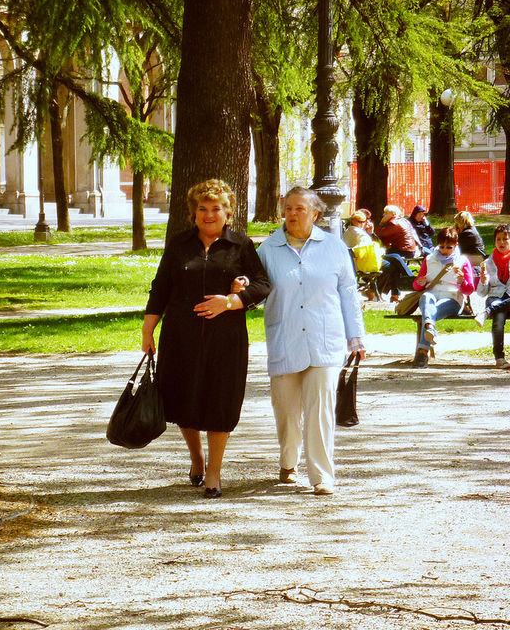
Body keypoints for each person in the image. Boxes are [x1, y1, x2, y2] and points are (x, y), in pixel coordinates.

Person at [141, 179, 271, 498]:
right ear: (193, 213)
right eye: (202, 209)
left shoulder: (241, 244)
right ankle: (196, 457)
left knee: (219, 400)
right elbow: (161, 287)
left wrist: (229, 300)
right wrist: (148, 330)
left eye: (216, 209)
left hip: (225, 338)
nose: (209, 214)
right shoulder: (179, 243)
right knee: (183, 397)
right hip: (180, 336)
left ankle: (214, 472)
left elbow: (262, 284)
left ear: (227, 213)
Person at [257, 186, 365, 495]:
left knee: (320, 410)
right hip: (285, 338)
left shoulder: (334, 247)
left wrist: (355, 338)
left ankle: (322, 476)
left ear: (315, 213)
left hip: (325, 340)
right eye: (288, 208)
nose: (292, 214)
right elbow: (254, 289)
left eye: (299, 209)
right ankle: (289, 462)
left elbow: (348, 292)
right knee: (287, 410)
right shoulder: (268, 250)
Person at [410, 227, 475, 368]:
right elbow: (416, 285)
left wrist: (461, 281)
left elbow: (469, 289)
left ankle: (423, 352)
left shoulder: (462, 261)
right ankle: (430, 327)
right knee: (426, 298)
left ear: (456, 245)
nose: (445, 250)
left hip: (452, 298)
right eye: (442, 247)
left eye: (449, 247)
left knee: (432, 310)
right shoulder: (429, 259)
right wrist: (420, 283)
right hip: (433, 294)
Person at [474, 224, 510, 369]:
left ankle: (487, 311)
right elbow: (482, 293)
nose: (502, 243)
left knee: (495, 309)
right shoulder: (488, 262)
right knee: (499, 318)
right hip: (495, 297)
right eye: (498, 239)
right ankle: (499, 358)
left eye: (505, 239)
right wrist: (483, 280)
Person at [375, 205, 421, 301]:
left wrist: (381, 223)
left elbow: (380, 234)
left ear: (393, 214)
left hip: (403, 250)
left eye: (386, 213)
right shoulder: (404, 221)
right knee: (393, 267)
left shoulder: (394, 223)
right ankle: (394, 296)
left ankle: (409, 280)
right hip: (410, 250)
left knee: (390, 262)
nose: (383, 215)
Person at [454, 211, 486, 282]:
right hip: (476, 259)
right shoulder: (472, 230)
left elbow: (455, 247)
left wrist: (456, 233)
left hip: (473, 262)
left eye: (456, 223)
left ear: (460, 222)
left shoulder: (466, 234)